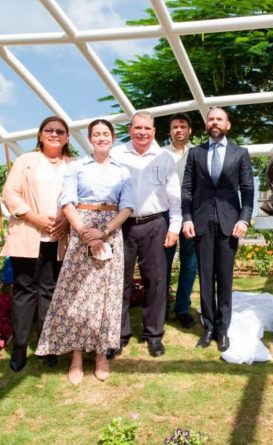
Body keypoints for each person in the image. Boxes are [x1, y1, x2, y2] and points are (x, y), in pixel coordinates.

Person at [35, 119, 134, 385]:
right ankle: (76, 357)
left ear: (112, 138)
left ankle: (102, 354)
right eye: (96, 134)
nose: (101, 138)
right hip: (81, 230)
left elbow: (127, 206)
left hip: (111, 231)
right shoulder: (76, 166)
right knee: (76, 296)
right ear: (90, 139)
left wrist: (104, 232)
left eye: (106, 133)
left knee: (106, 296)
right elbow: (66, 201)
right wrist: (83, 231)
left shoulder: (123, 171)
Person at [1, 116, 72, 372]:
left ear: (67, 138)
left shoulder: (72, 164)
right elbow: (10, 193)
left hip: (60, 237)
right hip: (29, 234)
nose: (55, 134)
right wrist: (35, 218)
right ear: (41, 135)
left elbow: (80, 196)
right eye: (49, 130)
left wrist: (66, 221)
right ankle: (20, 347)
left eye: (60, 131)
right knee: (24, 292)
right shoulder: (26, 161)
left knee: (50, 291)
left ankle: (47, 345)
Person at [182, 107, 255, 352]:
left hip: (229, 224)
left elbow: (247, 189)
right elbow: (187, 189)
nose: (215, 122)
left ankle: (223, 329)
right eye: (211, 119)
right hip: (201, 223)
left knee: (224, 279)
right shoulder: (195, 153)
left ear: (228, 124)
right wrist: (186, 218)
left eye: (219, 119)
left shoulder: (241, 153)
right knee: (205, 278)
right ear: (206, 125)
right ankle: (209, 327)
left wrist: (244, 219)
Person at [109, 111, 181, 358]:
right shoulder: (116, 155)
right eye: (138, 128)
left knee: (157, 281)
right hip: (122, 225)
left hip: (155, 224)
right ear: (130, 129)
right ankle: (118, 335)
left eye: (147, 129)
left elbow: (174, 196)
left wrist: (174, 228)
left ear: (154, 132)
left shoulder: (165, 157)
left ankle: (153, 335)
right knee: (120, 281)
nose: (142, 132)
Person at [164, 113, 199, 329]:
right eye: (175, 127)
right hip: (165, 218)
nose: (179, 130)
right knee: (162, 266)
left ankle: (182, 308)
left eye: (183, 126)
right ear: (170, 131)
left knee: (190, 265)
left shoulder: (199, 154)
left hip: (192, 219)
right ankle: (161, 307)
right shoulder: (159, 155)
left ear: (189, 130)